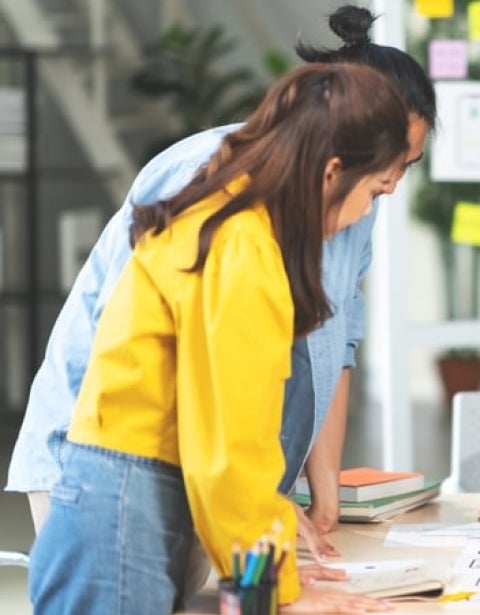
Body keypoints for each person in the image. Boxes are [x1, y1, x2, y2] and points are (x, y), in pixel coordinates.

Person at [6, 3, 435, 595]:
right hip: (127, 493)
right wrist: (281, 587)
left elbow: (236, 444)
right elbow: (228, 450)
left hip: (143, 486)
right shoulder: (242, 242)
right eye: (379, 187)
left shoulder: (244, 212)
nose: (372, 210)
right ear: (334, 169)